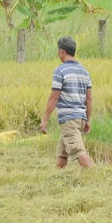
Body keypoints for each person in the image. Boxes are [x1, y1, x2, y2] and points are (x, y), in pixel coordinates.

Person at [39, 36, 94, 169]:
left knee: (78, 151)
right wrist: (87, 120)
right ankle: (57, 177)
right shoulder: (84, 72)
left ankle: (95, 177)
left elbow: (54, 97)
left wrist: (45, 120)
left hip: (68, 119)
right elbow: (89, 99)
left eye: (58, 51)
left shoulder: (60, 71)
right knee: (62, 154)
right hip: (80, 118)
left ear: (62, 51)